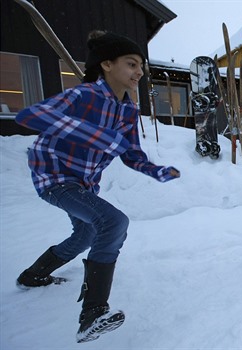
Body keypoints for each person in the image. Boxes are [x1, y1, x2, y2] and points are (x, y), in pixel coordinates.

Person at [14, 30, 180, 343]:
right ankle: (92, 313)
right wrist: (95, 135)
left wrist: (155, 170)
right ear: (106, 64)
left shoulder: (128, 110)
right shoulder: (83, 96)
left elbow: (129, 153)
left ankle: (34, 274)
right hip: (55, 175)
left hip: (85, 182)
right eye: (131, 64)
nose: (139, 72)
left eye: (141, 66)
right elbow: (30, 115)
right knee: (113, 222)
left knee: (87, 233)